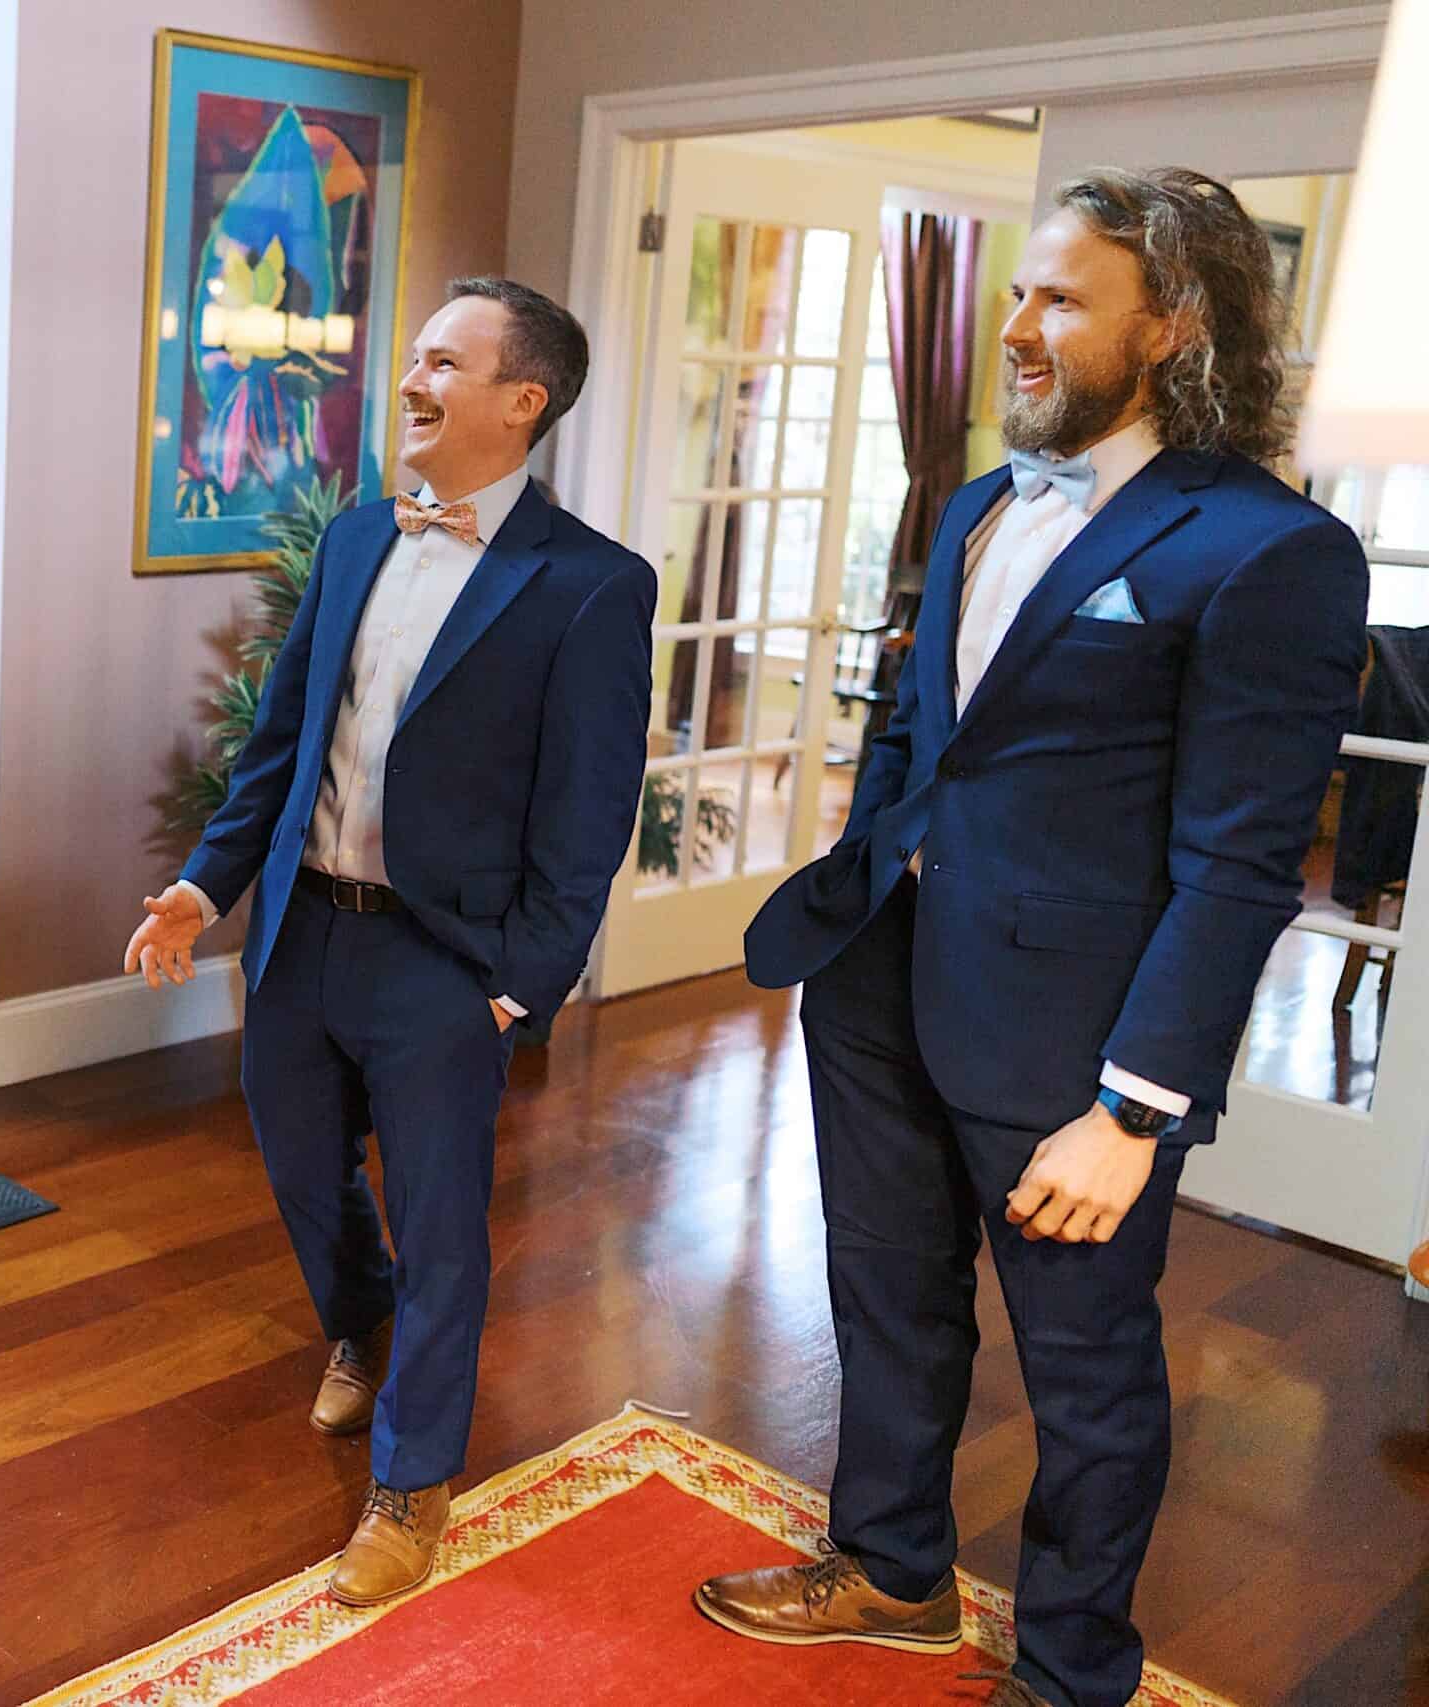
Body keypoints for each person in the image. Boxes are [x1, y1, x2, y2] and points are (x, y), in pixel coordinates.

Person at [697, 168, 1368, 1707]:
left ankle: (1072, 1673)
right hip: (880, 972)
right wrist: (862, 866)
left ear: (1174, 325)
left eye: (1062, 299)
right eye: (1019, 288)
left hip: (1072, 1041)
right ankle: (891, 1572)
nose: (1016, 326)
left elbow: (1241, 865)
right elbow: (919, 727)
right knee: (886, 1298)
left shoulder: (1270, 550)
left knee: (1086, 1370)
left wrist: (1136, 1108)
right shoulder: (984, 501)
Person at [125, 278, 654, 1606]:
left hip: (445, 963)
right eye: (416, 358)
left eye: (443, 363)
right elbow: (284, 740)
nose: (410, 382)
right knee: (305, 1171)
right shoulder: (362, 535)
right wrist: (204, 887)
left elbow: (589, 814)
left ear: (522, 400)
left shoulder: (593, 585)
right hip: (302, 932)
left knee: (444, 1226)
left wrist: (520, 989)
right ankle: (361, 1325)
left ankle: (411, 1488)